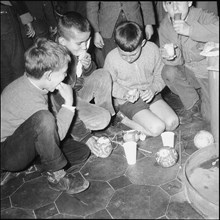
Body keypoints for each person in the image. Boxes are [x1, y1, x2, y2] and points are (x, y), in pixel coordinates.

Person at [1, 38, 90, 194]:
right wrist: (69, 102)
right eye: (63, 73)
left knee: (81, 151)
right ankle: (57, 176)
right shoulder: (26, 96)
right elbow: (56, 132)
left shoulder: (36, 83)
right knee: (44, 119)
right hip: (7, 153)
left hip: (26, 143)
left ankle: (40, 164)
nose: (65, 76)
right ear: (48, 75)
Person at [51, 11, 115, 153]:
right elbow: (61, 104)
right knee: (102, 119)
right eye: (80, 43)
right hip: (62, 105)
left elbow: (86, 78)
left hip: (76, 92)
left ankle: (109, 119)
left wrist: (88, 67)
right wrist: (84, 137)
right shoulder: (54, 63)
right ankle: (68, 132)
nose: (85, 46)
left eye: (88, 40)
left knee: (102, 73)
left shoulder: (74, 49)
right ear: (62, 42)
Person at [104, 21, 179, 136]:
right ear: (116, 44)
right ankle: (123, 118)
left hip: (150, 94)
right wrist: (125, 94)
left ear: (143, 43)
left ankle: (146, 118)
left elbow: (161, 74)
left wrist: (153, 89)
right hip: (128, 100)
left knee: (172, 123)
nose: (129, 59)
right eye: (123, 55)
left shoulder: (152, 49)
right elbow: (109, 84)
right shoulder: (111, 58)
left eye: (133, 54)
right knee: (157, 129)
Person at [159, 1, 219, 124]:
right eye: (170, 3)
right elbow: (175, 62)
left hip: (206, 73)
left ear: (189, 2)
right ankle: (193, 104)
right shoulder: (164, 26)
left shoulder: (202, 16)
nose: (175, 7)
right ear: (165, 7)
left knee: (210, 118)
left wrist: (190, 30)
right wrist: (170, 57)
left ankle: (206, 98)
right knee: (168, 72)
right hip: (187, 71)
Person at [86, 1, 156, 68]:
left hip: (134, 23)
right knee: (111, 59)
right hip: (108, 27)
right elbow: (91, 6)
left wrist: (149, 23)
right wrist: (95, 32)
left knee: (135, 58)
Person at [1, 1, 35, 92]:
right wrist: (27, 21)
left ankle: (6, 98)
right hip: (3, 15)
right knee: (17, 62)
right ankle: (21, 95)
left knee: (3, 65)